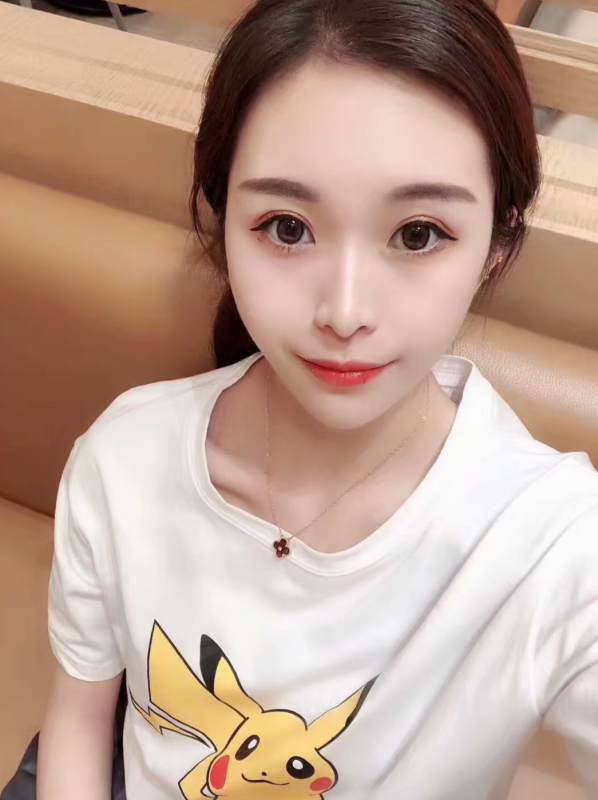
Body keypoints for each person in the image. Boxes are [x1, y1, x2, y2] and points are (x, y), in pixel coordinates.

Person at [33, 0, 598, 799]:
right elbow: (79, 723)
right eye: (287, 227)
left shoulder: (553, 544)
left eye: (418, 234)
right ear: (221, 218)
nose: (344, 311)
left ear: (496, 246)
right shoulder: (123, 459)